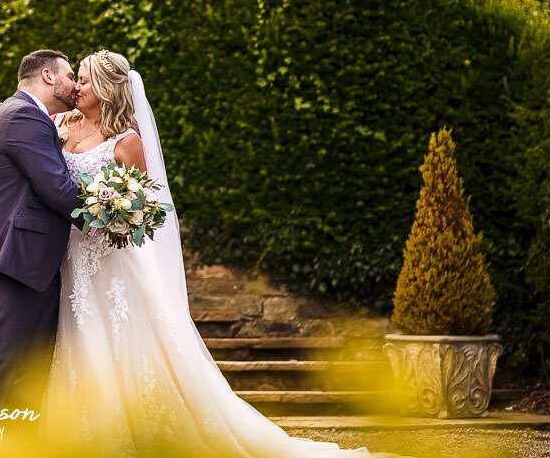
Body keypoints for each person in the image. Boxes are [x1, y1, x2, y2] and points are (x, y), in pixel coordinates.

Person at [41, 49, 375, 457]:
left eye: (88, 80)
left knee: (121, 343)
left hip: (111, 262)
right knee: (79, 338)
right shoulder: (59, 123)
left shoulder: (127, 144)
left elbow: (144, 209)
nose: (78, 86)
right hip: (71, 259)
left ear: (109, 90)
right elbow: (24, 118)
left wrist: (112, 214)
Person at [0, 49, 84, 456]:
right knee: (4, 366)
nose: (76, 85)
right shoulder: (22, 116)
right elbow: (57, 188)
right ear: (47, 76)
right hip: (9, 261)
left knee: (26, 373)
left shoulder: (22, 115)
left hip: (28, 262)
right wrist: (112, 218)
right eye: (70, 75)